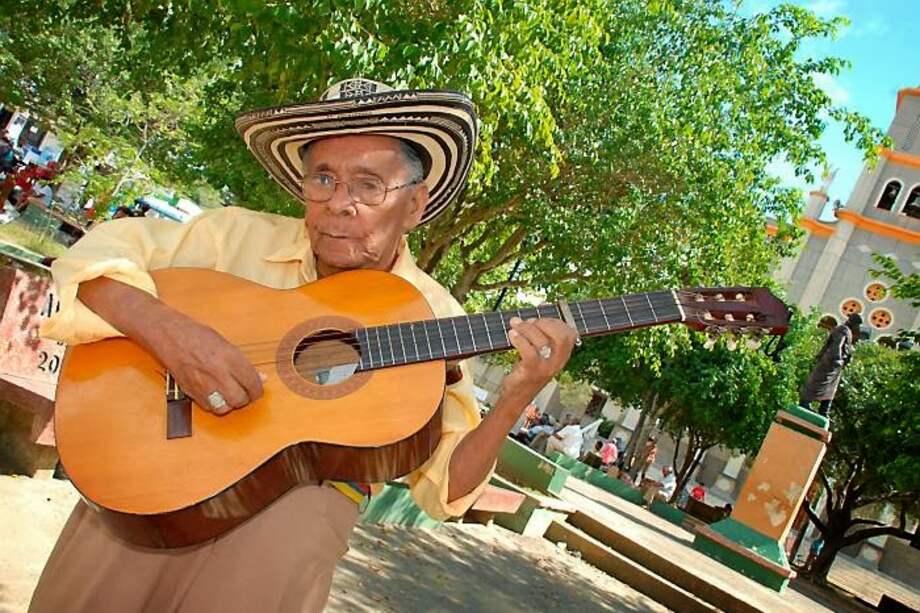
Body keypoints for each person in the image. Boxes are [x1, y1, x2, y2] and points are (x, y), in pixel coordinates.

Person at [29, 78, 578, 613]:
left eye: (368, 185)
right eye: (323, 179)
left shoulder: (435, 317)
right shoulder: (232, 236)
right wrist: (170, 333)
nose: (340, 203)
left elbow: (444, 489)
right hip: (140, 491)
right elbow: (95, 257)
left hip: (290, 534)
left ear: (415, 205)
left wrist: (516, 396)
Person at [799, 314, 861, 416]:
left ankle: (824, 410)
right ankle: (805, 402)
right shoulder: (843, 330)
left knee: (831, 387)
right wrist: (838, 359)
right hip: (830, 363)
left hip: (835, 367)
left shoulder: (846, 331)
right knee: (819, 382)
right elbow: (837, 345)